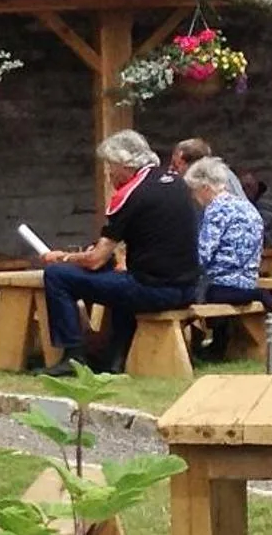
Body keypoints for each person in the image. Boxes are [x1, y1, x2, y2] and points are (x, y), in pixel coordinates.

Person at [38, 130, 199, 375]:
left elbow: (94, 260)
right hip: (188, 288)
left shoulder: (130, 194)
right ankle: (115, 357)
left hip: (154, 291)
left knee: (58, 276)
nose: (109, 173)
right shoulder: (175, 182)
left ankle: (73, 357)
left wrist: (63, 257)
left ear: (125, 165)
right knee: (122, 280)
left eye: (110, 166)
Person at [184, 157, 272, 357]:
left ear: (205, 187)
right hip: (249, 279)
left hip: (225, 284)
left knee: (192, 293)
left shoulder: (216, 210)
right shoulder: (247, 206)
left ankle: (196, 347)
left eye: (194, 191)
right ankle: (218, 344)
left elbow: (202, 255)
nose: (194, 197)